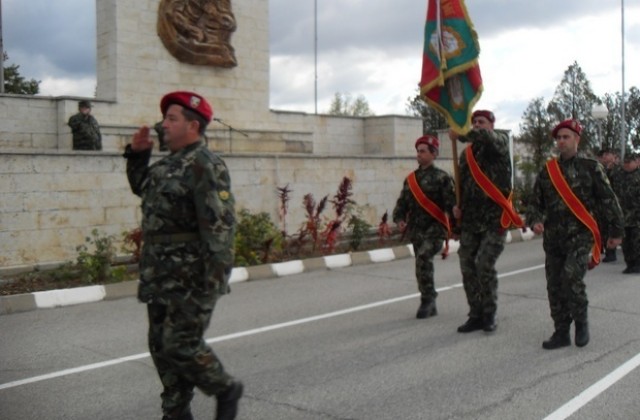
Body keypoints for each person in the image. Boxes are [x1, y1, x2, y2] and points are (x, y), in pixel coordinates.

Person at [123, 91, 242, 420]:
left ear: (192, 125)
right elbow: (142, 187)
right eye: (165, 118)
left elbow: (220, 227)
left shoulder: (206, 165)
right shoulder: (166, 165)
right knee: (162, 349)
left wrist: (215, 279)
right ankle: (176, 412)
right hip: (160, 275)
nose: (164, 124)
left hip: (191, 278)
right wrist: (138, 155)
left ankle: (225, 388)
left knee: (181, 344)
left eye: (171, 119)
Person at [526, 119, 623, 350]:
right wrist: (535, 220)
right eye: (558, 138)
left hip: (580, 236)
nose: (561, 141)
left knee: (571, 278)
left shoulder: (591, 167)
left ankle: (581, 322)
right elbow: (534, 202)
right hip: (553, 239)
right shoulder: (548, 171)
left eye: (566, 137)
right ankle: (561, 331)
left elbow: (609, 200)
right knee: (554, 286)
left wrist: (616, 232)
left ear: (577, 139)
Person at [449, 110, 521, 333]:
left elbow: (486, 137)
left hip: (493, 220)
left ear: (491, 124)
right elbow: (460, 185)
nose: (478, 125)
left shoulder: (499, 142)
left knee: (484, 264)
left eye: (482, 122)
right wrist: (456, 209)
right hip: (471, 220)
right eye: (474, 122)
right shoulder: (466, 154)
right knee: (467, 265)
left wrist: (461, 132)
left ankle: (489, 313)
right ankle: (476, 313)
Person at [393, 135, 456, 319]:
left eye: (423, 151)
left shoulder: (442, 178)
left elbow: (451, 205)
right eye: (418, 151)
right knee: (421, 264)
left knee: (423, 257)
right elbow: (402, 202)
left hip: (435, 229)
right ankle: (428, 299)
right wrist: (399, 218)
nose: (418, 154)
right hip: (417, 230)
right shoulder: (411, 179)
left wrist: (456, 226)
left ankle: (428, 300)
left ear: (433, 154)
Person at [609, 151, 640, 274]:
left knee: (637, 241)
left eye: (629, 162)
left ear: (635, 162)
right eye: (625, 162)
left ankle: (638, 263)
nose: (626, 165)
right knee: (626, 243)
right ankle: (630, 264)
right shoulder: (618, 175)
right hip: (623, 214)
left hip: (637, 215)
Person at [596, 148, 619, 262]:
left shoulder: (618, 170)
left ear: (613, 156)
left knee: (612, 228)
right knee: (604, 228)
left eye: (607, 154)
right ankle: (607, 250)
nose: (605, 157)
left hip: (614, 204)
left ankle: (612, 252)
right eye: (603, 155)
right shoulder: (602, 169)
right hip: (602, 204)